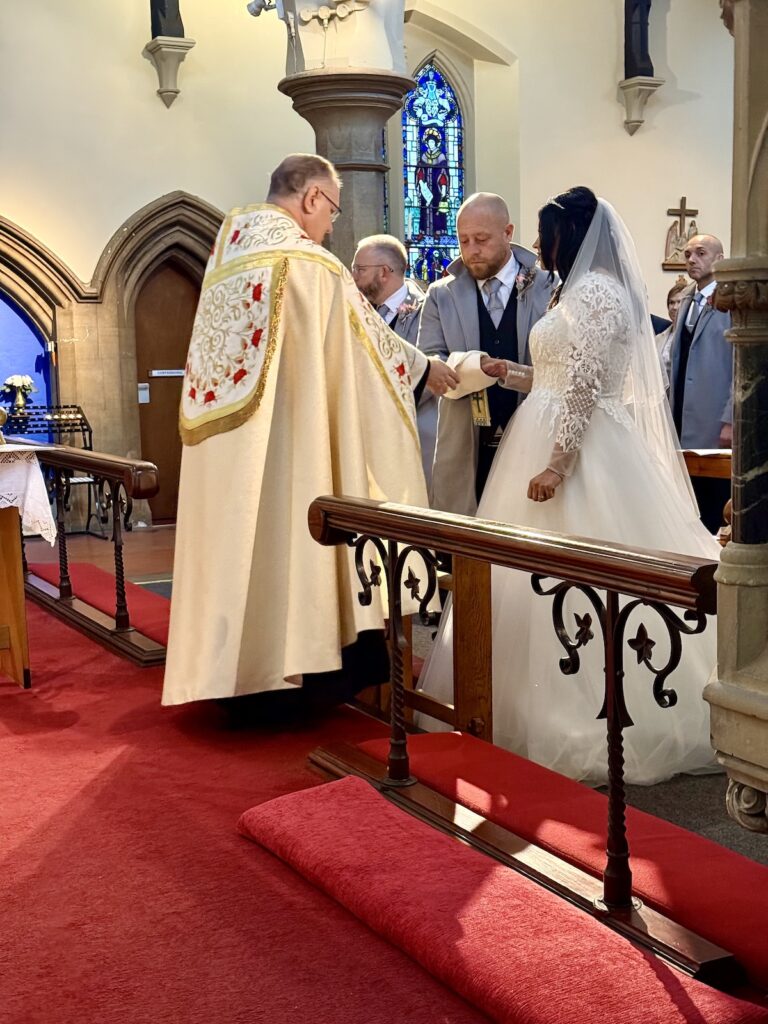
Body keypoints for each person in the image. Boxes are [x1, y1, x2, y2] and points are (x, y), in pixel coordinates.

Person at [417, 187, 720, 786]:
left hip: (586, 451)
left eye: (543, 232)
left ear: (570, 236)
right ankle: (515, 700)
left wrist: (558, 463)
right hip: (547, 427)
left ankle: (591, 710)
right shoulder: (570, 292)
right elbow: (559, 378)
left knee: (582, 573)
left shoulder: (601, 292)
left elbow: (585, 389)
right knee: (525, 575)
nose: (536, 244)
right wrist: (512, 372)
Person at [162, 154, 444, 713]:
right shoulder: (309, 266)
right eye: (333, 210)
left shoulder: (227, 261)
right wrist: (423, 368)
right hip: (290, 447)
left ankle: (231, 675)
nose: (332, 225)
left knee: (241, 541)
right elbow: (367, 350)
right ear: (312, 198)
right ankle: (294, 671)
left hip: (230, 453)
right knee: (289, 538)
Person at [417, 193, 554, 515]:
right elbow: (428, 357)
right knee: (465, 526)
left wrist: (513, 373)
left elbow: (558, 360)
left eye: (481, 239)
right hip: (464, 431)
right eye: (464, 240)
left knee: (525, 524)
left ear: (508, 232)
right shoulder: (441, 294)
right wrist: (463, 366)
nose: (472, 250)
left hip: (529, 425)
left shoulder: (548, 286)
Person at [352, 233, 445, 485]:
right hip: (362, 433)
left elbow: (430, 370)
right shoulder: (354, 311)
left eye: (359, 269)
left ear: (384, 272)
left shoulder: (426, 309)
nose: (353, 277)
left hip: (412, 432)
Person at [668, 233, 732, 531]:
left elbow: (740, 364)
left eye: (701, 253)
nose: (692, 259)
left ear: (719, 259)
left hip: (715, 421)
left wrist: (731, 419)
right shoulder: (687, 299)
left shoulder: (732, 301)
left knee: (715, 502)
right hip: (683, 418)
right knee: (688, 503)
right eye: (688, 254)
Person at [655, 280, 686, 381]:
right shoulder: (659, 337)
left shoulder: (692, 335)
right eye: (671, 302)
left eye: (679, 302)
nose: (674, 307)